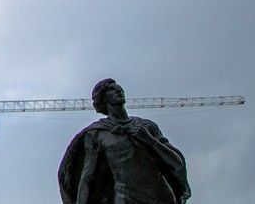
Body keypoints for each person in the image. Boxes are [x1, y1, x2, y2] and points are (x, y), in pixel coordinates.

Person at [58, 78, 191, 204]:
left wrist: (148, 140)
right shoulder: (96, 134)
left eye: (119, 88)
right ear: (103, 99)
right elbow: (87, 177)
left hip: (161, 195)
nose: (118, 90)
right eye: (112, 89)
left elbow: (176, 162)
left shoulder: (146, 126)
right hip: (127, 197)